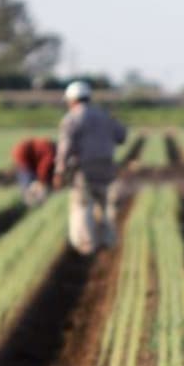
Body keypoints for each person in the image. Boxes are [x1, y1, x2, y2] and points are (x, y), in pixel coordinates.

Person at [54, 80, 128, 254]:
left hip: (83, 168)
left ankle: (87, 245)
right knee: (104, 203)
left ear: (72, 100)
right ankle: (107, 241)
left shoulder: (72, 118)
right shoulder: (104, 115)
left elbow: (65, 146)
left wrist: (60, 170)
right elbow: (122, 136)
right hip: (106, 166)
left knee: (82, 204)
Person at [10, 136, 57, 206]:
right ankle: (31, 199)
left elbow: (44, 165)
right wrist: (41, 179)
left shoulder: (47, 148)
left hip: (26, 158)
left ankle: (33, 199)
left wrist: (41, 178)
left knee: (29, 180)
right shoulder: (49, 151)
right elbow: (44, 166)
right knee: (28, 180)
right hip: (25, 158)